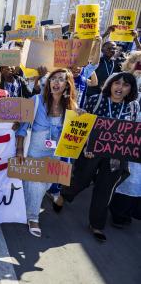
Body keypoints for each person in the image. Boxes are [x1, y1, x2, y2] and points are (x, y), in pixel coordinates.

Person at [56, 73, 139, 242]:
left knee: (105, 189)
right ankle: (65, 195)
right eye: (117, 83)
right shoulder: (96, 99)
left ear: (131, 89)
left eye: (125, 85)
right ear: (110, 84)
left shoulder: (133, 106)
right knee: (81, 179)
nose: (120, 87)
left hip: (116, 155)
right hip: (91, 150)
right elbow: (84, 122)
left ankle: (96, 224)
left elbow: (133, 131)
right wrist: (80, 116)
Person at [15, 69, 78, 237]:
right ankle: (32, 217)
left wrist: (80, 119)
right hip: (34, 149)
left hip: (55, 152)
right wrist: (20, 150)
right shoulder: (35, 100)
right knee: (34, 185)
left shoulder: (71, 107)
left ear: (67, 85)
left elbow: (74, 135)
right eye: (53, 79)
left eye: (61, 79)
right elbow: (22, 128)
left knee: (45, 184)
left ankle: (31, 205)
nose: (56, 82)